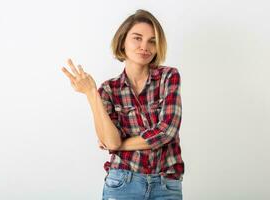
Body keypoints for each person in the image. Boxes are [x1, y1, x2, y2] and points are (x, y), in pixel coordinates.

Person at [61, 9, 184, 200]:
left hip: (166, 185)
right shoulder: (108, 90)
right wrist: (91, 93)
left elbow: (166, 130)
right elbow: (110, 140)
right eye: (137, 38)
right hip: (123, 183)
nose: (145, 46)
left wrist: (119, 146)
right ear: (123, 41)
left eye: (152, 41)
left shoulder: (169, 76)